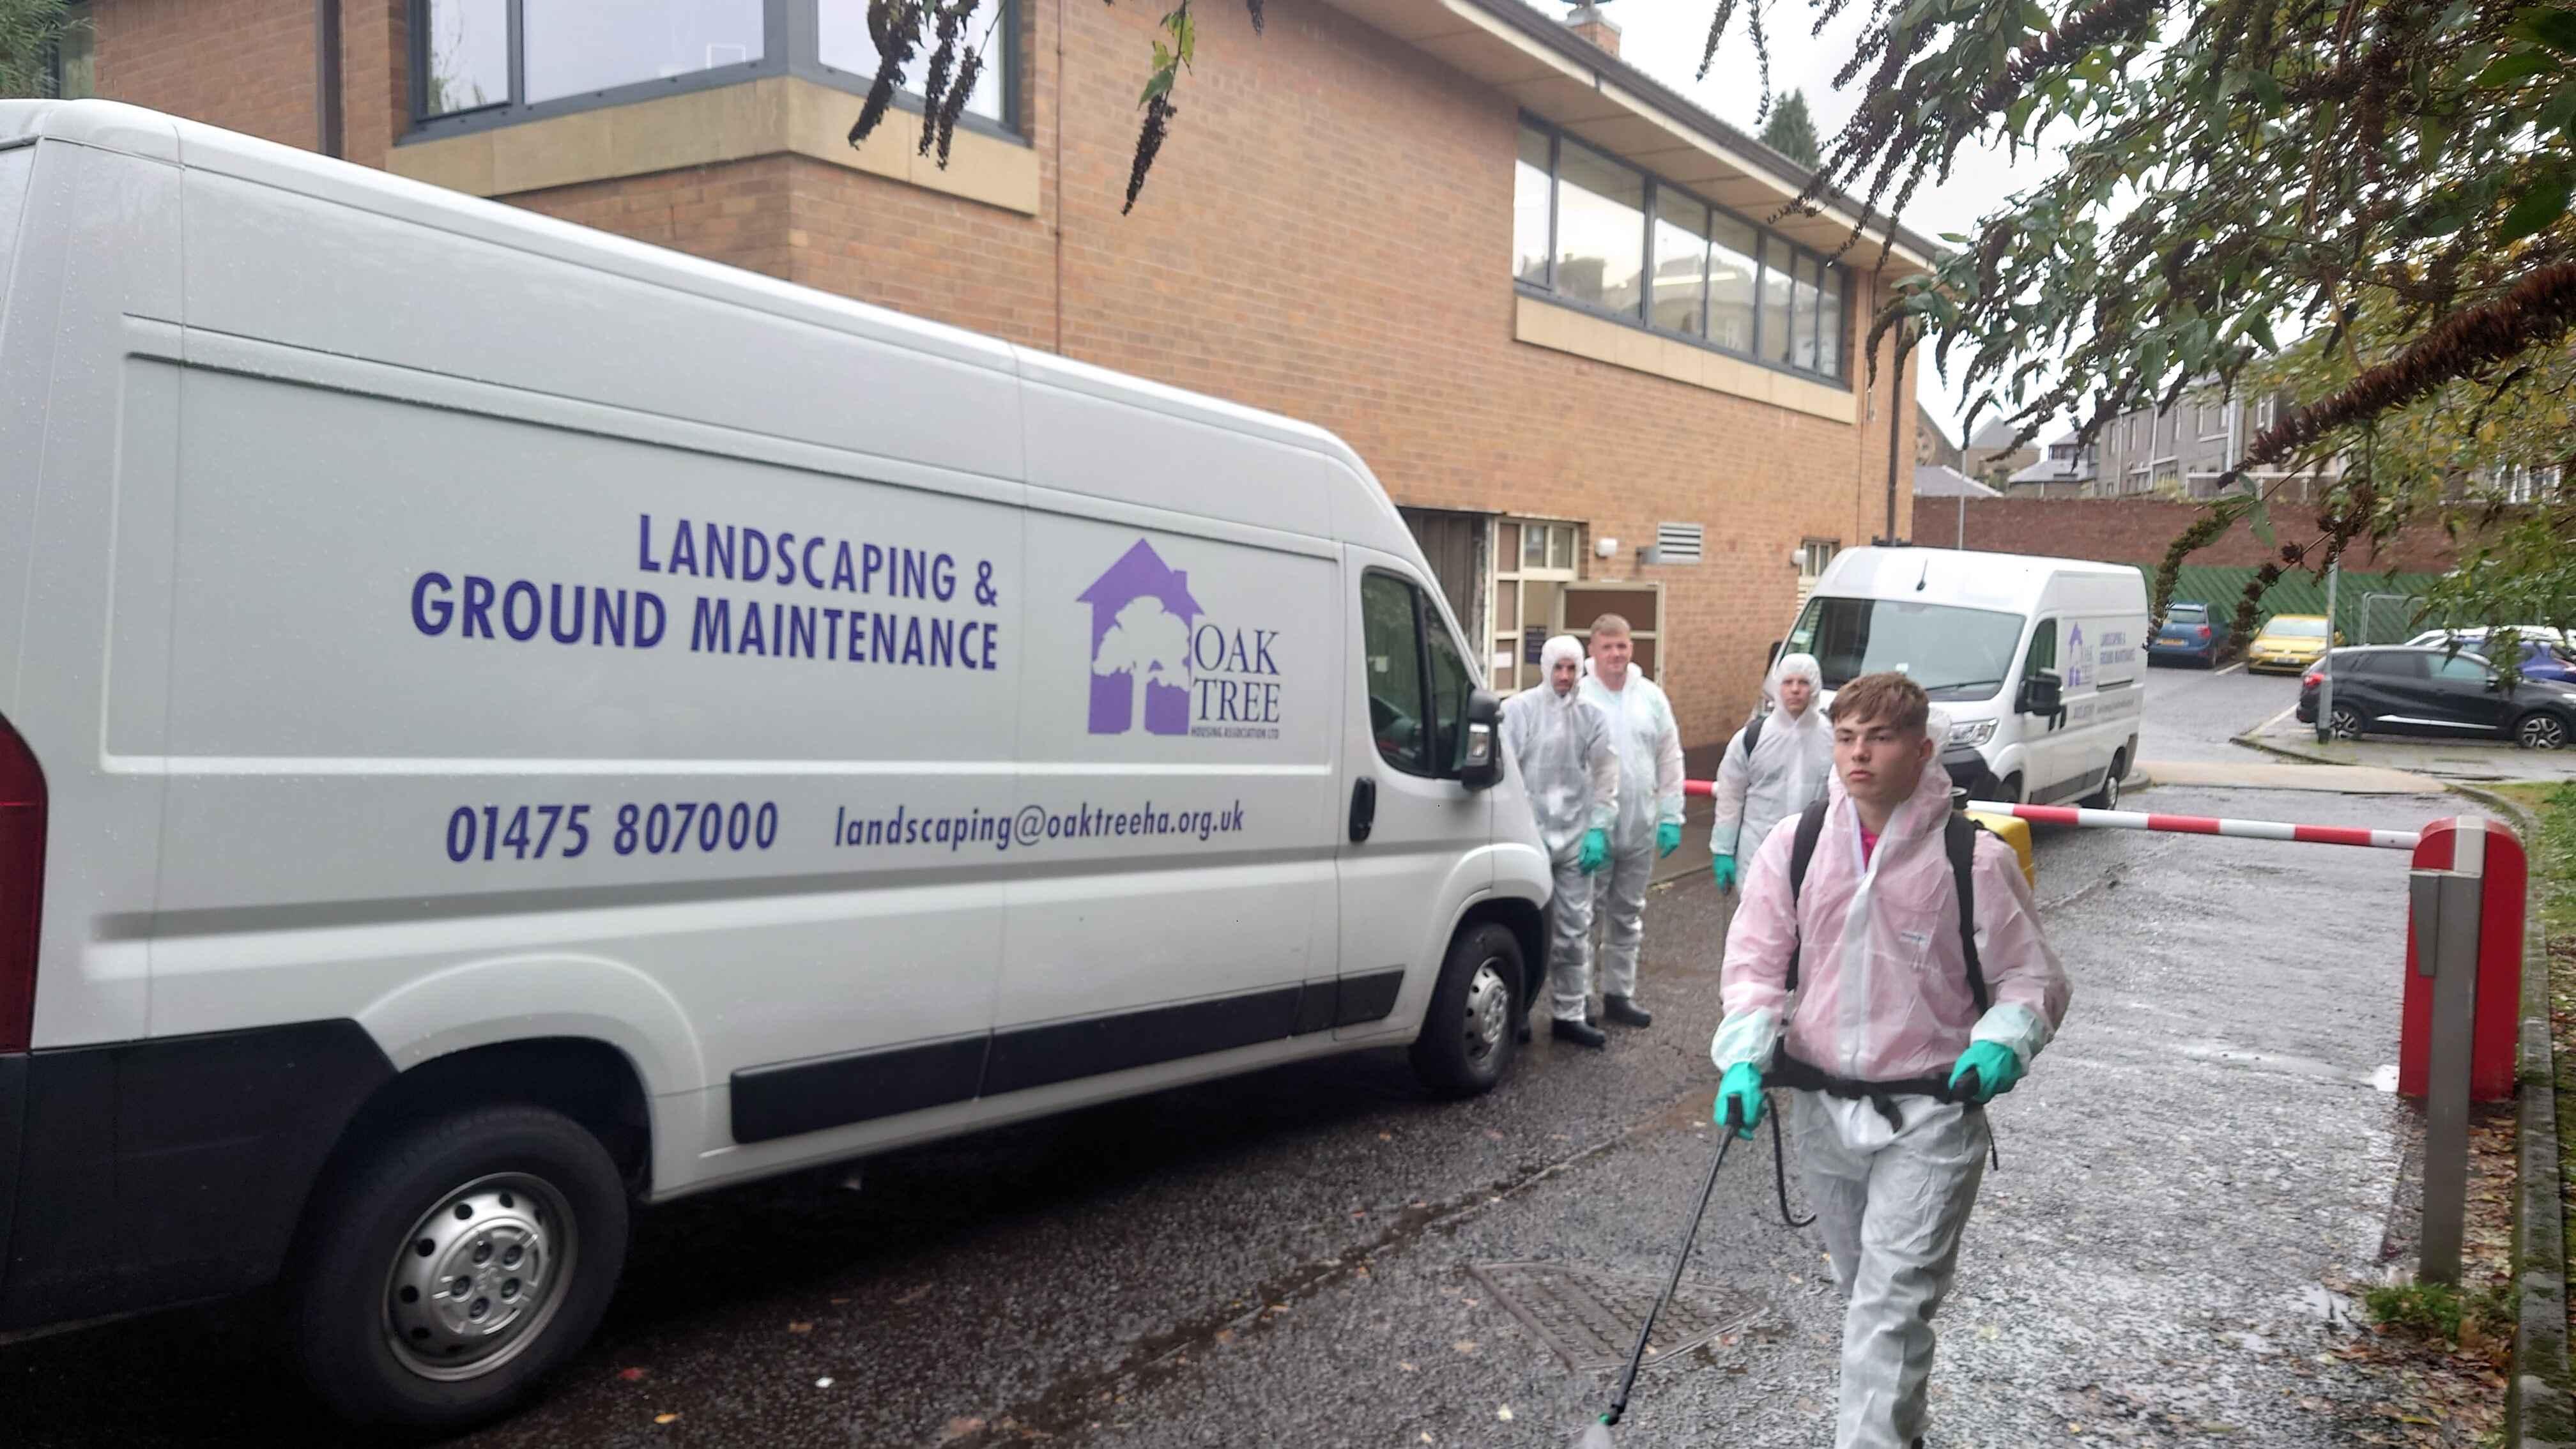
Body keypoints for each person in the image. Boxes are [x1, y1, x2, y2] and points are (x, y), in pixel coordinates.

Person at [1708, 671, 2071, 1449]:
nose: (1859, 755)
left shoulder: (1970, 859)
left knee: (1893, 1300)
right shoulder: (1796, 845)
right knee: (1864, 1291)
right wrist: (1744, 1055)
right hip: (1823, 1106)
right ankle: (1899, 1430)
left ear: (1922, 748)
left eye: (1880, 738)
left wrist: (2005, 1040)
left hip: (1931, 1113)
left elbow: (2030, 976)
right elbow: (1756, 962)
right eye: (1846, 738)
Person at [1498, 635, 1621, 1048]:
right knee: (1522, 928)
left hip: (1574, 838)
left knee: (1573, 929)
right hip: (1526, 836)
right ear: (1545, 668)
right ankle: (1516, 1013)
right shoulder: (1518, 711)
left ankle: (1569, 1013)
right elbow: (1506, 774)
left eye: (1572, 668)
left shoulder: (1592, 715)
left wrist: (1598, 828)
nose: (1565, 677)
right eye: (1558, 668)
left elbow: (1606, 774)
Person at [1575, 613, 1684, 1032]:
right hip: (1591, 831)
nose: (1615, 654)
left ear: (1631, 648)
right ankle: (1577, 999)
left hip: (1639, 825)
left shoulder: (1651, 698)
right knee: (1585, 917)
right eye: (1607, 647)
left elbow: (1669, 756)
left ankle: (1620, 994)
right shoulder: (1581, 698)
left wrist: (1671, 815)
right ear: (1593, 650)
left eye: (1622, 645)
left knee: (1628, 914)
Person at [1709, 651, 1832, 893]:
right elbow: (1730, 797)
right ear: (1778, 687)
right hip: (1758, 851)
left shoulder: (1834, 738)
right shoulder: (1750, 739)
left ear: (1815, 687)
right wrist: (1723, 850)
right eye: (1788, 682)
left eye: (1804, 682)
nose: (1795, 689)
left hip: (1815, 852)